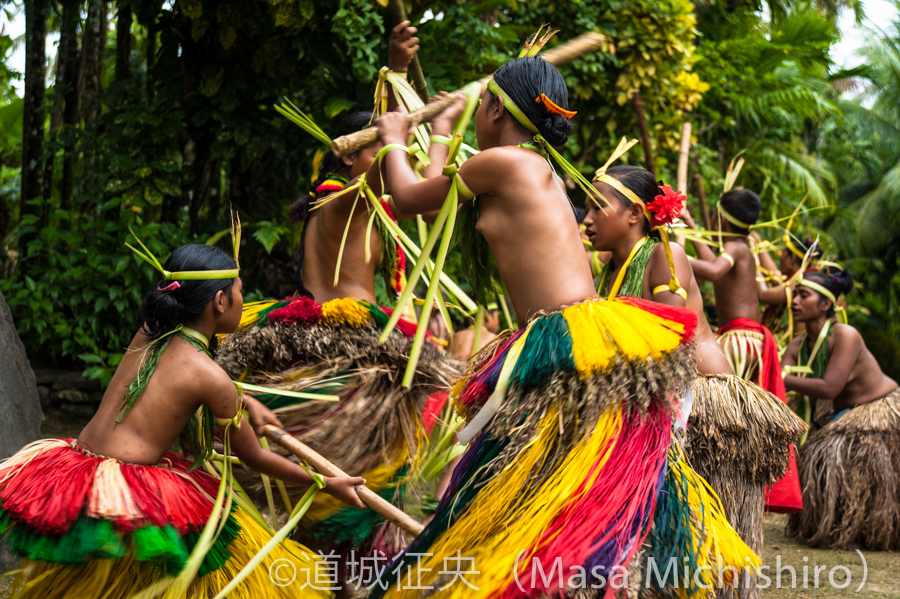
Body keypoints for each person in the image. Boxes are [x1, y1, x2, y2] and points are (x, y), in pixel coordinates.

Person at [367, 52, 756, 599]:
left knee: (532, 487)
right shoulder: (529, 166)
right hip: (578, 337)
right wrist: (442, 132)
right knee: (547, 484)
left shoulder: (503, 163)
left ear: (495, 109)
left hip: (565, 340)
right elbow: (435, 206)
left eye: (481, 106)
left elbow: (408, 199)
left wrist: (393, 138)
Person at [214, 22, 461, 598]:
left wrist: (398, 77)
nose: (393, 158)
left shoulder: (334, 203)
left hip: (313, 336)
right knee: (414, 436)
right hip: (352, 345)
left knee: (339, 480)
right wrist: (437, 130)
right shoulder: (351, 200)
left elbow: (397, 154)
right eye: (380, 150)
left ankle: (338, 578)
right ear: (353, 158)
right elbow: (414, 183)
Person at [0, 243, 367, 599]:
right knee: (227, 563)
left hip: (76, 466)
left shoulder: (149, 332)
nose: (242, 299)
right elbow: (254, 457)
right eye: (240, 291)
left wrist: (245, 400)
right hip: (125, 490)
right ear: (220, 301)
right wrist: (324, 482)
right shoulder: (210, 377)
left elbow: (173, 383)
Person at [584, 164, 805, 599]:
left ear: (635, 214)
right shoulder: (610, 269)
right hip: (651, 393)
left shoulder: (665, 255)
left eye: (596, 207)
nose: (587, 218)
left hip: (699, 396)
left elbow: (670, 342)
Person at [682, 189, 803, 514]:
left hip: (738, 339)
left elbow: (713, 270)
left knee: (728, 422)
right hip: (750, 338)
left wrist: (671, 253)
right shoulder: (739, 248)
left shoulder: (735, 248)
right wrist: (690, 224)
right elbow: (713, 261)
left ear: (721, 219)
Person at [783, 271, 900, 550]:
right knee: (815, 454)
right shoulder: (797, 345)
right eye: (794, 294)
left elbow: (829, 387)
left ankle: (866, 528)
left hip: (878, 411)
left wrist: (781, 375)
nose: (795, 301)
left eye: (803, 295)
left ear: (825, 304)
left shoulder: (846, 335)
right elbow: (779, 382)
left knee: (848, 455)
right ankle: (834, 525)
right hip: (843, 415)